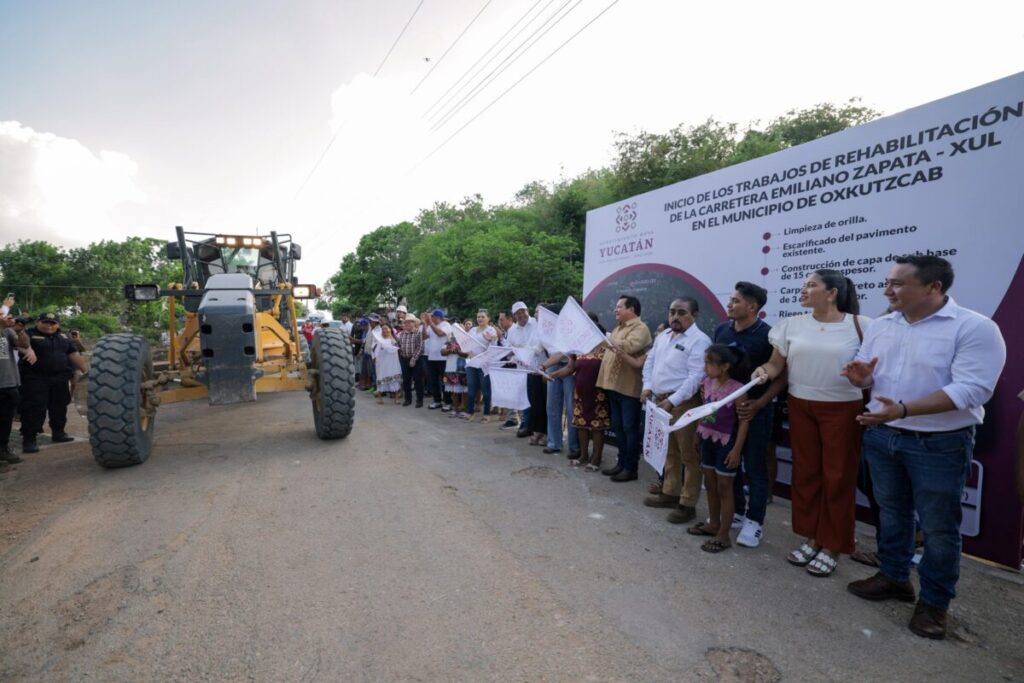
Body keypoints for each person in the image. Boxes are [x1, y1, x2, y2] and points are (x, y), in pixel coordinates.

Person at [842, 255, 1005, 640]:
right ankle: (895, 577)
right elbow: (864, 374)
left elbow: (972, 390)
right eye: (888, 282)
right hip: (883, 436)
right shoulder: (881, 325)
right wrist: (860, 380)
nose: (887, 290)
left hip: (939, 443)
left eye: (898, 283)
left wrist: (903, 410)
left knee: (938, 528)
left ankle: (934, 603)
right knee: (892, 512)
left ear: (934, 287)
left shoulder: (975, 328)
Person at [753, 270, 870, 578]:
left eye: (811, 285)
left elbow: (872, 374)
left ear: (831, 293)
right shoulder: (790, 324)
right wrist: (763, 370)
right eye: (804, 284)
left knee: (838, 477)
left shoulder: (862, 326)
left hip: (843, 409)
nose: (803, 289)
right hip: (800, 405)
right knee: (806, 474)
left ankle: (833, 545)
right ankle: (812, 537)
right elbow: (776, 365)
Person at [715, 282, 787, 547]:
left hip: (755, 411)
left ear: (752, 306)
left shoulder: (769, 336)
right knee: (728, 461)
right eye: (730, 300)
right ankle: (735, 512)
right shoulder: (721, 330)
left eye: (735, 301)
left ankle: (754, 521)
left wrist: (759, 404)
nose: (730, 305)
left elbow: (781, 378)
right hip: (725, 413)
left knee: (755, 467)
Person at [641, 297, 710, 514]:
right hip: (660, 402)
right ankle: (670, 493)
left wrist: (672, 401)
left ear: (695, 315)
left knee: (689, 456)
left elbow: (696, 377)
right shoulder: (663, 336)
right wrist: (647, 386)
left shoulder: (700, 341)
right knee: (669, 452)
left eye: (682, 313)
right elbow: (650, 362)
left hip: (683, 404)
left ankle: (687, 504)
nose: (675, 317)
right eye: (672, 312)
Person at [688, 344, 752, 553]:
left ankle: (724, 534)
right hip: (708, 440)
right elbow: (704, 410)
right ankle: (713, 523)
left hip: (727, 443)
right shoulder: (707, 383)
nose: (705, 367)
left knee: (725, 487)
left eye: (708, 363)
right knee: (710, 482)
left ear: (724, 366)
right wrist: (698, 433)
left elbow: (743, 422)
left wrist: (736, 450)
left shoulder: (738, 390)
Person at [597, 295, 652, 482]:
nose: (615, 310)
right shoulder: (617, 328)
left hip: (629, 388)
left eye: (619, 307)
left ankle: (631, 468)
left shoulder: (640, 328)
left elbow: (629, 347)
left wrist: (607, 341)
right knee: (619, 427)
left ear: (632, 309)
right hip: (613, 386)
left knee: (629, 428)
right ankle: (621, 463)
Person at [19, 312, 88, 453]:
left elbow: (73, 354)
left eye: (53, 323)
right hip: (35, 379)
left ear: (58, 324)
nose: (49, 326)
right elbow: (19, 344)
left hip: (60, 378)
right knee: (34, 409)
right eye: (45, 322)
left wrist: (86, 371)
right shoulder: (28, 334)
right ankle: (29, 440)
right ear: (38, 322)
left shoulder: (63, 337)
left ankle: (59, 433)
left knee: (60, 407)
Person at [564, 312, 609, 472]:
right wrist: (552, 374)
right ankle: (583, 456)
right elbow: (570, 368)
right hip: (580, 394)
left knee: (597, 427)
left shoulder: (606, 350)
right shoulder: (580, 350)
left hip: (598, 394)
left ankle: (596, 458)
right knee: (581, 425)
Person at [539, 303, 580, 458]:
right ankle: (554, 443)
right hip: (552, 365)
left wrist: (542, 366)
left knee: (571, 408)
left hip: (569, 367)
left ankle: (574, 446)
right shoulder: (543, 329)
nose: (538, 315)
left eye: (541, 313)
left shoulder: (567, 327)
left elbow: (561, 353)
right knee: (552, 406)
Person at [505, 301, 546, 443]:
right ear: (514, 315)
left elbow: (539, 346)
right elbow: (509, 349)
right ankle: (529, 426)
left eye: (523, 311)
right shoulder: (512, 330)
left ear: (527, 311)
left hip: (539, 368)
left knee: (539, 402)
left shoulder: (537, 323)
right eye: (518, 313)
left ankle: (539, 430)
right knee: (525, 399)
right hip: (521, 370)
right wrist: (511, 353)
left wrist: (523, 349)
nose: (521, 315)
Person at [0, 313, 31, 463]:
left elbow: (24, 345)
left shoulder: (8, 332)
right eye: (7, 316)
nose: (11, 319)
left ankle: (3, 449)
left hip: (9, 383)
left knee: (6, 419)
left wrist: (20, 330)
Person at [463, 309, 498, 422]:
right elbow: (467, 344)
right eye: (478, 317)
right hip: (472, 363)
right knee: (471, 387)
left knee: (485, 389)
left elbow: (494, 347)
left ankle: (487, 413)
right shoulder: (472, 330)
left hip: (484, 364)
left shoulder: (491, 330)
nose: (480, 319)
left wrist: (491, 340)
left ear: (488, 318)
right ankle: (469, 412)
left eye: (482, 317)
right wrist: (469, 352)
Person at [421, 309, 453, 411]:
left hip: (443, 358)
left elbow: (440, 333)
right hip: (432, 357)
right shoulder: (431, 326)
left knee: (445, 381)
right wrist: (424, 325)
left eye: (432, 317)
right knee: (433, 381)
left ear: (438, 317)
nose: (431, 318)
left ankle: (448, 402)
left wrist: (429, 323)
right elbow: (424, 337)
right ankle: (437, 401)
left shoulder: (446, 324)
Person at [398, 315, 425, 407]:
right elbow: (399, 345)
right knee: (406, 380)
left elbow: (421, 347)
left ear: (415, 323)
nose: (407, 323)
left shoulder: (418, 332)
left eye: (410, 321)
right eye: (406, 322)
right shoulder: (402, 334)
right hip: (404, 359)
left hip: (416, 359)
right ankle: (407, 399)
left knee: (418, 380)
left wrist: (413, 358)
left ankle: (419, 400)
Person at [373, 323, 402, 404]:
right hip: (382, 362)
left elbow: (397, 348)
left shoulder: (394, 339)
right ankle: (379, 398)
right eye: (383, 329)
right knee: (381, 378)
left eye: (386, 328)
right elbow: (376, 351)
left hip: (392, 362)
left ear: (390, 329)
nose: (384, 330)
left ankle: (396, 398)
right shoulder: (379, 340)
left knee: (394, 379)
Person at [441, 332, 469, 417]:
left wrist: (458, 351)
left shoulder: (466, 342)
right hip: (450, 368)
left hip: (462, 369)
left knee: (465, 391)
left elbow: (467, 354)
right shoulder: (447, 342)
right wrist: (450, 350)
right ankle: (455, 409)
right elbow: (442, 352)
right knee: (454, 391)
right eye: (453, 333)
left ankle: (464, 409)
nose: (455, 335)